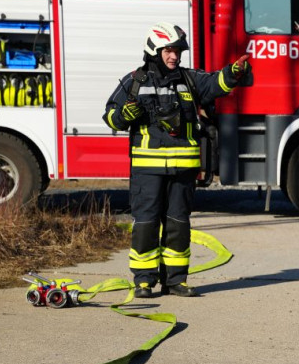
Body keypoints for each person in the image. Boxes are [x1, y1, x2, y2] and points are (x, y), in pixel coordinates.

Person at [103, 23, 250, 298]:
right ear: (154, 51)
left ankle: (175, 281)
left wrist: (233, 72)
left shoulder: (189, 79)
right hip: (147, 171)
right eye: (168, 51)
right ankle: (144, 281)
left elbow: (215, 83)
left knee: (178, 225)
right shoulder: (134, 81)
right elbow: (110, 117)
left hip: (183, 170)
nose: (174, 56)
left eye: (178, 51)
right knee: (146, 225)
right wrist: (125, 115)